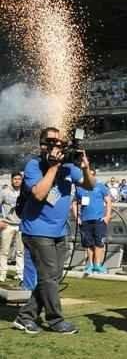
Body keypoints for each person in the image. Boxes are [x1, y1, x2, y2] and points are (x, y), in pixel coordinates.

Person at [13, 127, 95, 335]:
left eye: (59, 142)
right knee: (49, 276)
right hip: (36, 230)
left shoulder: (69, 166)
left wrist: (85, 168)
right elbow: (39, 194)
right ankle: (55, 320)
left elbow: (90, 185)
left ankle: (25, 317)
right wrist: (52, 167)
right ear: (42, 145)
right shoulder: (34, 165)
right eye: (51, 142)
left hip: (59, 231)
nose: (57, 145)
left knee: (53, 277)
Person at [72, 168, 112, 275]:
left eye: (92, 175)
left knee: (99, 243)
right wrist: (77, 217)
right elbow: (74, 203)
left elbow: (108, 201)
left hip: (99, 219)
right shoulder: (80, 188)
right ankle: (89, 264)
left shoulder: (100, 187)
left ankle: (97, 264)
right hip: (85, 220)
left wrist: (107, 216)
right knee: (88, 244)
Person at [0, 172, 24, 282]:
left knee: (20, 251)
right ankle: (2, 274)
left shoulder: (25, 193)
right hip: (7, 224)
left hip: (21, 225)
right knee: (4, 250)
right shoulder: (4, 192)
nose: (17, 181)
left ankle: (20, 274)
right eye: (15, 179)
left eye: (19, 179)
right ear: (11, 180)